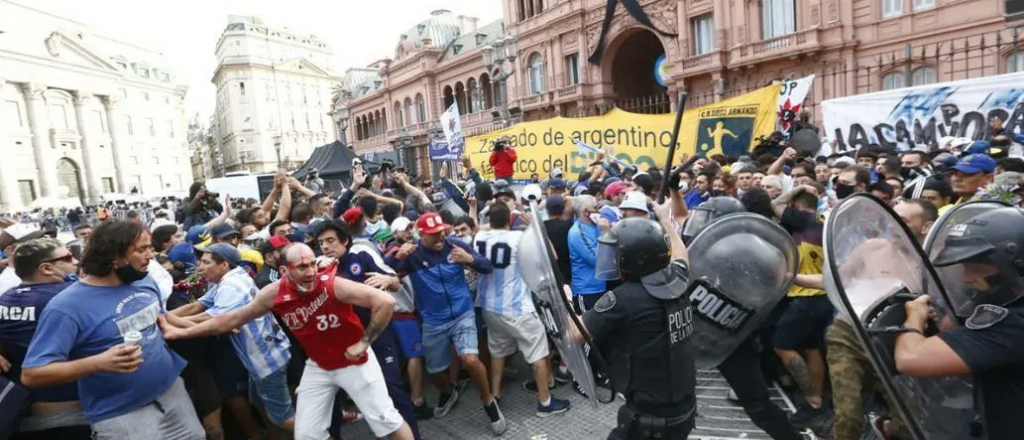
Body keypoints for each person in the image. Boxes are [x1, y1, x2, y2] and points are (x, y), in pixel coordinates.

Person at [160, 243, 414, 440]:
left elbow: (386, 302)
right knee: (306, 434)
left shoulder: (331, 285)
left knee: (386, 421)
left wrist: (364, 342)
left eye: (312, 264)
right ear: (284, 271)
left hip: (353, 362)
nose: (311, 271)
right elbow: (232, 319)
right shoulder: (273, 293)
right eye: (302, 267)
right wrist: (179, 332)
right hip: (320, 366)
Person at [21, 221, 204, 440]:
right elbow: (32, 374)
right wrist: (98, 363)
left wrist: (204, 326)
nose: (151, 256)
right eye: (141, 249)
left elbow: (161, 316)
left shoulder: (144, 281)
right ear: (114, 257)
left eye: (150, 248)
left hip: (173, 394)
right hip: (123, 417)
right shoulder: (66, 307)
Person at [896, 206, 1024, 439]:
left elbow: (910, 359)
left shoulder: (1012, 324)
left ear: (1015, 262)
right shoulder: (1011, 297)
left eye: (977, 267)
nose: (966, 277)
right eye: (965, 267)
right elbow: (950, 329)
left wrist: (914, 316)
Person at [580, 204, 697, 440]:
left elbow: (576, 332)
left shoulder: (623, 299)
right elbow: (681, 254)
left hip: (649, 421)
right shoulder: (677, 279)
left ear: (632, 259)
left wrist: (560, 299)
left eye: (616, 255)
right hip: (683, 409)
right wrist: (665, 220)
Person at [385, 212, 507, 434]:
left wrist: (469, 260)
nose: (440, 237)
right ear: (421, 234)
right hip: (433, 321)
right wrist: (397, 254)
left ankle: (489, 402)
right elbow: (385, 265)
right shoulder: (412, 254)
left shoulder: (455, 245)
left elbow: (487, 266)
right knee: (435, 371)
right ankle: (448, 392)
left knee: (470, 359)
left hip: (463, 314)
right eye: (433, 234)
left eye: (442, 231)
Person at [168, 243, 296, 432]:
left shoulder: (232, 286)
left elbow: (210, 321)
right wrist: (162, 314)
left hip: (266, 361)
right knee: (262, 406)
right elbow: (196, 307)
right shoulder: (230, 278)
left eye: (206, 262)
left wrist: (168, 321)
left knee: (283, 419)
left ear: (224, 265)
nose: (200, 267)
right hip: (260, 359)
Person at [313, 219, 422, 439]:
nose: (325, 246)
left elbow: (395, 282)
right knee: (330, 396)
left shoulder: (361, 253)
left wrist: (388, 279)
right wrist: (318, 273)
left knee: (392, 389)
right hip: (342, 342)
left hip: (377, 335)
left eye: (330, 240)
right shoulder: (318, 267)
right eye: (321, 242)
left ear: (344, 240)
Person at [473, 203, 572, 417]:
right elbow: (551, 257)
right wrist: (535, 226)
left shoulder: (480, 237)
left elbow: (482, 228)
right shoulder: (519, 239)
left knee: (497, 352)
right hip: (518, 307)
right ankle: (545, 403)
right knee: (538, 353)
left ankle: (496, 394)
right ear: (510, 219)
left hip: (490, 306)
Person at [0, 238, 89, 439]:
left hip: (22, 407)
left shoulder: (4, 299)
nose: (75, 261)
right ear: (47, 268)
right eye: (67, 257)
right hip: (74, 408)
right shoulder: (70, 296)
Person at [770, 185, 833, 429]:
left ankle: (812, 400)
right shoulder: (826, 221)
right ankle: (815, 401)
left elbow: (776, 204)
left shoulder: (805, 218)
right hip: (824, 296)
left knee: (782, 346)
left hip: (806, 296)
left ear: (796, 207)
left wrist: (798, 187)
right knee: (813, 348)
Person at [568, 195, 607, 313]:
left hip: (601, 287)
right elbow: (595, 259)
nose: (598, 211)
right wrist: (605, 234)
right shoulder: (578, 232)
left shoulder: (596, 226)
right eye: (595, 207)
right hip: (586, 291)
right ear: (585, 211)